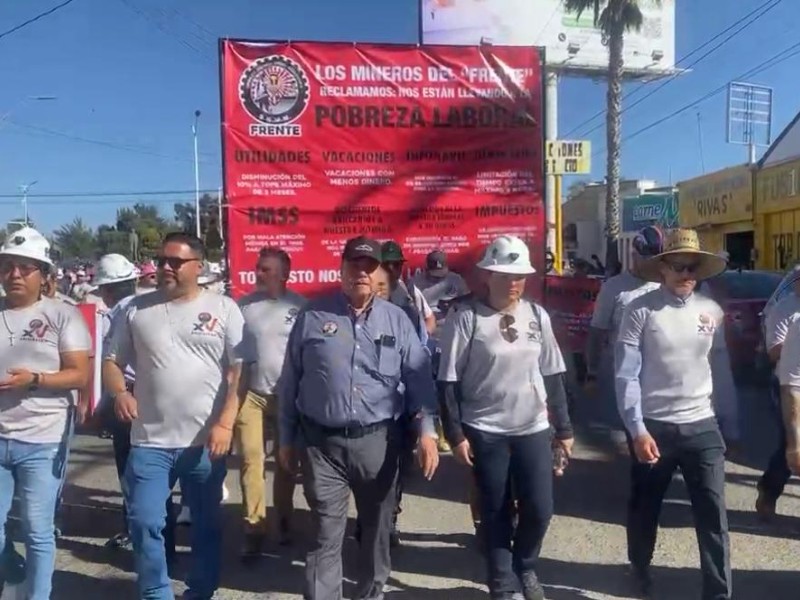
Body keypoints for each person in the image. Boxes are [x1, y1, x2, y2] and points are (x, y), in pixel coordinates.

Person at [278, 235, 439, 600]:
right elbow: (291, 380)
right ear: (342, 268)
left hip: (379, 444)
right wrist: (286, 438)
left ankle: (371, 592)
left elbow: (418, 380)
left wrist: (427, 432)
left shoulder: (398, 320)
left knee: (376, 530)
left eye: (369, 267)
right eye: (355, 265)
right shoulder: (312, 315)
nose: (362, 273)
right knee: (324, 533)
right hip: (323, 446)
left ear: (379, 271)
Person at [103, 232, 245, 600]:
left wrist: (226, 423)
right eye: (162, 260)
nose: (165, 267)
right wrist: (120, 392)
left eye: (175, 262)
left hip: (204, 443)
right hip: (149, 442)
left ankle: (200, 591)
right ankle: (156, 592)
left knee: (206, 527)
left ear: (198, 266)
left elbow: (240, 371)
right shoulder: (135, 309)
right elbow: (111, 361)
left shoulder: (224, 308)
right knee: (145, 521)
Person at [437, 235, 573, 600]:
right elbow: (447, 380)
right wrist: (456, 434)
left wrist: (564, 428)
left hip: (532, 426)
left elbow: (552, 373)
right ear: (487, 275)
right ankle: (502, 584)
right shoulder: (465, 317)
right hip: (486, 428)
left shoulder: (536, 316)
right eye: (504, 275)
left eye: (519, 276)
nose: (513, 283)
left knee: (540, 508)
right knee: (495, 510)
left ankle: (524, 566)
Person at [615, 228, 738, 599]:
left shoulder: (710, 311)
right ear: (663, 268)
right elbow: (626, 374)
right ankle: (639, 568)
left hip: (702, 425)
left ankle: (718, 593)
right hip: (654, 427)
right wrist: (636, 429)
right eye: (680, 266)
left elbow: (722, 369)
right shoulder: (639, 310)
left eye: (694, 268)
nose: (688, 275)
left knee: (714, 515)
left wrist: (731, 424)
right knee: (644, 509)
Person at [0, 227, 91, 600]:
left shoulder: (62, 315)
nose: (15, 274)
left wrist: (34, 380)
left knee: (37, 530)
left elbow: (79, 373)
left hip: (43, 439)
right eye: (8, 266)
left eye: (26, 268)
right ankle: (11, 574)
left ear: (44, 276)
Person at [92, 254, 177, 559]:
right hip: (155, 396)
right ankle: (158, 537)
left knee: (133, 471)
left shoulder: (119, 314)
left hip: (127, 398)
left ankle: (140, 534)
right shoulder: (152, 306)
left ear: (107, 289)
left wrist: (103, 405)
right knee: (154, 469)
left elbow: (110, 363)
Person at [236, 247, 306, 559]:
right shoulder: (242, 307)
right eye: (258, 267)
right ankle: (255, 527)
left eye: (266, 269)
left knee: (285, 462)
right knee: (251, 459)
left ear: (283, 274)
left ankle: (285, 518)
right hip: (251, 394)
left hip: (287, 397)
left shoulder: (301, 307)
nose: (258, 272)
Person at [586, 226, 664, 434]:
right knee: (635, 432)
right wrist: (591, 373)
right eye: (646, 257)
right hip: (627, 372)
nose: (652, 263)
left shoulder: (667, 284)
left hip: (662, 374)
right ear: (634, 254)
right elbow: (597, 331)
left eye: (657, 258)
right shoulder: (614, 287)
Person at [757, 267, 800, 519]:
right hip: (786, 383)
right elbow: (773, 352)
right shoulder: (784, 309)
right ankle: (769, 489)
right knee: (791, 441)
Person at [381, 241, 436, 337]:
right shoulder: (368, 292)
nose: (391, 269)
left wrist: (422, 340)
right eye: (386, 265)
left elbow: (430, 318)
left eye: (396, 264)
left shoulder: (409, 290)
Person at [410, 249, 469, 326]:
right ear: (427, 268)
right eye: (434, 275)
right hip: (425, 324)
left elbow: (468, 302)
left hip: (451, 323)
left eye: (441, 274)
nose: (438, 278)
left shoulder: (456, 280)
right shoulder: (415, 283)